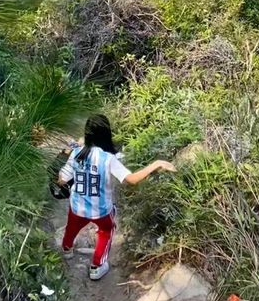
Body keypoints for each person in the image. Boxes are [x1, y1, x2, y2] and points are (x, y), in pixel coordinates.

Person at [59, 114, 176, 281]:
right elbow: (132, 180)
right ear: (106, 133)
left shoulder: (76, 153)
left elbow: (62, 179)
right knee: (106, 230)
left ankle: (67, 249)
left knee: (72, 227)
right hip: (100, 210)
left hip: (77, 205)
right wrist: (156, 164)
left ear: (87, 134)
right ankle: (97, 266)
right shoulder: (108, 159)